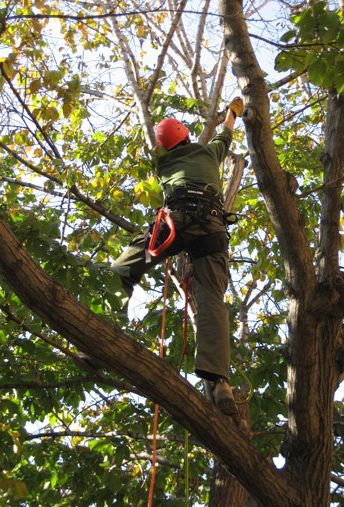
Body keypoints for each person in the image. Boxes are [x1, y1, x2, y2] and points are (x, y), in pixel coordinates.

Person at [111, 98, 244, 415]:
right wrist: (232, 113)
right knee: (212, 297)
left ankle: (108, 324)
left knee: (121, 268)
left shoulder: (164, 164)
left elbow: (162, 149)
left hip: (175, 223)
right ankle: (220, 381)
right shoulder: (210, 152)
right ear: (186, 135)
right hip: (211, 227)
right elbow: (225, 133)